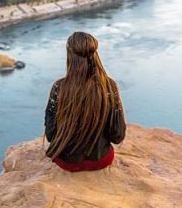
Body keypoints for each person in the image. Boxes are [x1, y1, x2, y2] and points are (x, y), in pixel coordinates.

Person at [44, 31, 126, 172]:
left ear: (69, 56)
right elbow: (117, 135)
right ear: (95, 54)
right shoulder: (109, 86)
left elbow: (51, 135)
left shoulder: (58, 88)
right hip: (100, 160)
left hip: (66, 162)